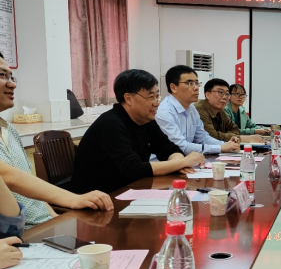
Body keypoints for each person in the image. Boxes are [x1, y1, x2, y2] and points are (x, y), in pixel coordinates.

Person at [0, 55, 113, 227]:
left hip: (43, 227)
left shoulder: (9, 129)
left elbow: (29, 185)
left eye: (11, 77)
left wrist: (55, 221)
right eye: (2, 75)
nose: (12, 84)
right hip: (18, 234)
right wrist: (74, 199)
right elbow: (9, 176)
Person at [71, 69, 206, 194]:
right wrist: (183, 162)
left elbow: (169, 149)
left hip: (129, 189)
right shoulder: (111, 124)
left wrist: (179, 163)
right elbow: (134, 169)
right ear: (128, 98)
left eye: (157, 96)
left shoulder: (146, 121)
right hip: (98, 196)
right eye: (151, 97)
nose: (157, 103)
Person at [156, 66, 241, 154]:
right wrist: (220, 147)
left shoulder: (191, 109)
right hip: (164, 161)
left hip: (185, 160)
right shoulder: (164, 112)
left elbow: (202, 138)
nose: (196, 88)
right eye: (190, 83)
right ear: (173, 87)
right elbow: (180, 146)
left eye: (197, 83)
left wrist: (227, 144)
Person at [194, 79, 264, 144]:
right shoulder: (199, 110)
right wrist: (242, 138)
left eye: (227, 94)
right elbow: (211, 136)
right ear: (207, 95)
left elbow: (235, 129)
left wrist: (229, 136)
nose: (225, 97)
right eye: (220, 92)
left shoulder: (220, 110)